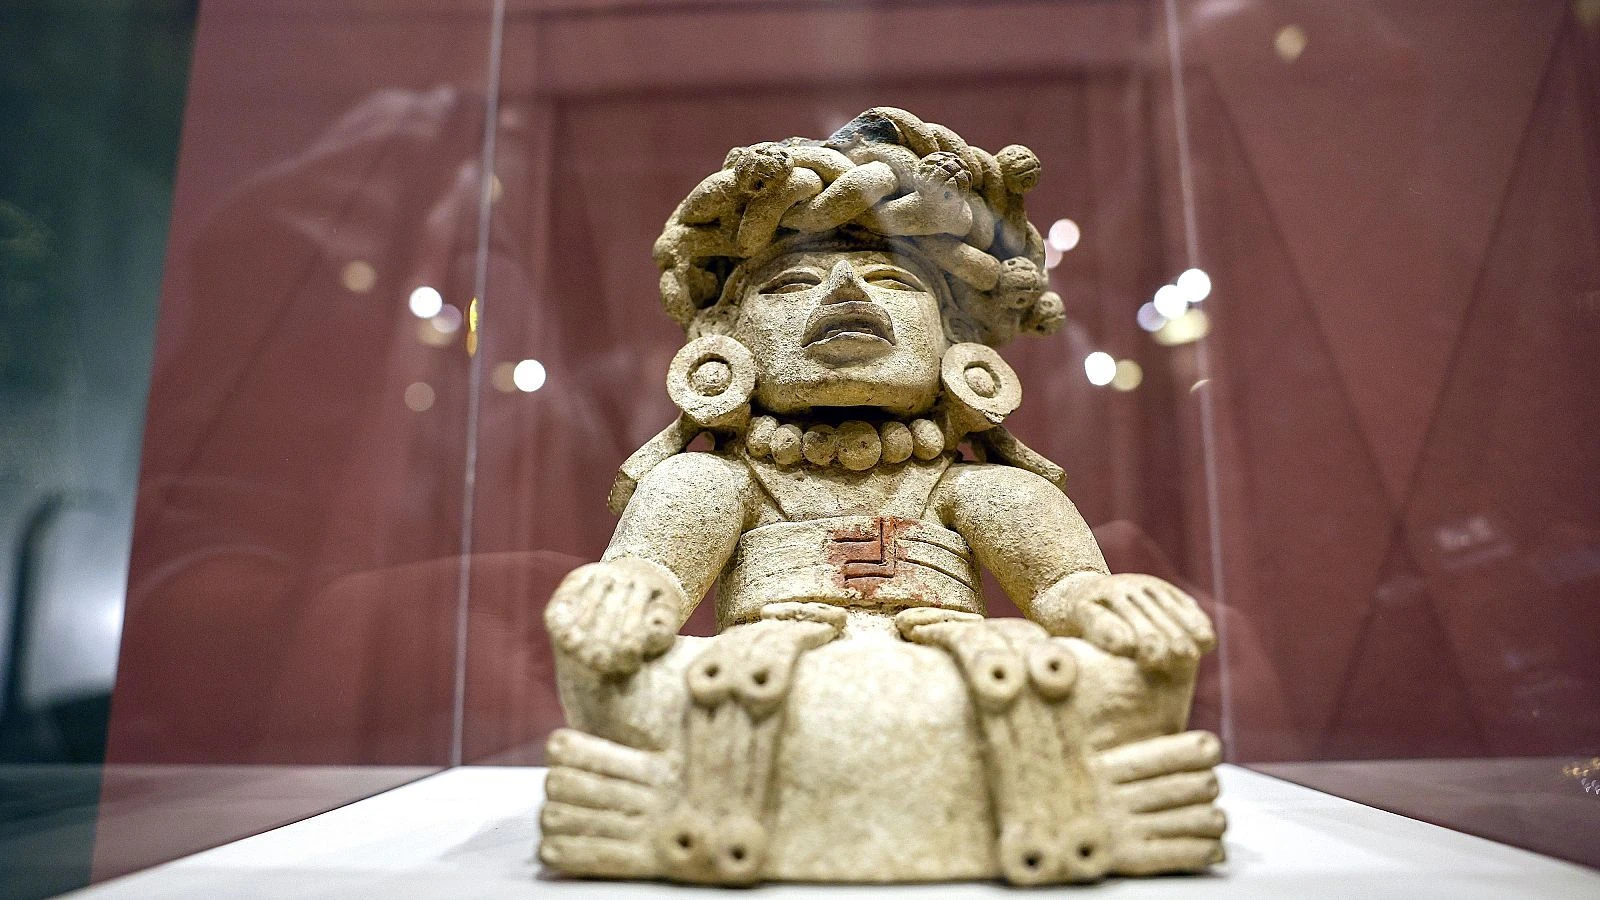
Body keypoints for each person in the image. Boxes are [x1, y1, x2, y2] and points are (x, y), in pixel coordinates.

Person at [538, 108, 1224, 885]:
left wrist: (1107, 601)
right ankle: (1066, 805)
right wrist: (630, 588)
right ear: (726, 340)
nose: (843, 291)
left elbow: (1066, 586)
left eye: (892, 280)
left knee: (1154, 666)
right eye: (793, 283)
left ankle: (688, 810)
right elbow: (655, 574)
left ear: (955, 341)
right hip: (768, 679)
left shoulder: (988, 489)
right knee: (599, 664)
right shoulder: (708, 480)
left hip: (960, 679)